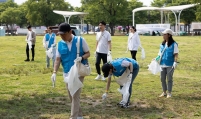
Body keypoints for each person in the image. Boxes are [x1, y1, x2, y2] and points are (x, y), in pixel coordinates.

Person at [51, 23, 90, 119]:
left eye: (64, 34)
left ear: (70, 32)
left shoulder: (80, 40)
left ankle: (73, 117)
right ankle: (80, 115)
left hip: (78, 72)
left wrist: (81, 57)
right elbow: (57, 59)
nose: (62, 36)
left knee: (75, 94)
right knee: (70, 95)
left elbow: (88, 53)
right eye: (60, 34)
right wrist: (54, 72)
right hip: (67, 72)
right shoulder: (60, 44)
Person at [157, 29, 179, 98]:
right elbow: (159, 54)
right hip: (162, 63)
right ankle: (164, 92)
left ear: (169, 35)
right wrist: (156, 59)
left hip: (170, 64)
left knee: (169, 78)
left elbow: (176, 54)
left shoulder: (174, 44)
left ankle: (169, 92)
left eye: (164, 34)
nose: (163, 35)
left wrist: (175, 62)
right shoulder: (162, 44)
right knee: (162, 78)